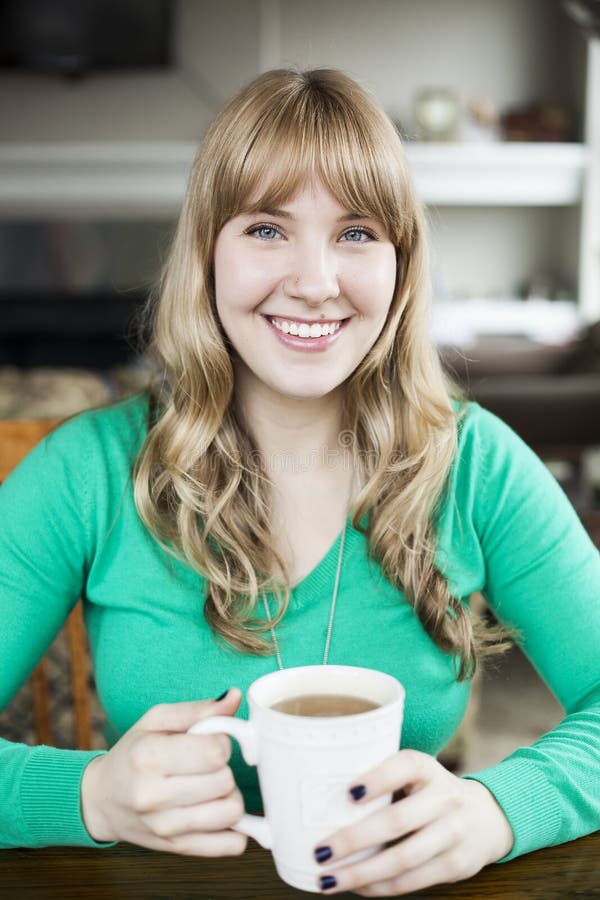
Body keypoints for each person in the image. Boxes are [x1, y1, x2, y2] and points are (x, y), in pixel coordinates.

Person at [0, 67, 599, 896]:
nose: (315, 280)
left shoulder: (476, 465)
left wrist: (499, 809)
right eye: (266, 229)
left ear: (401, 262)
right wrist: (88, 796)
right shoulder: (86, 472)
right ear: (207, 250)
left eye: (356, 233)